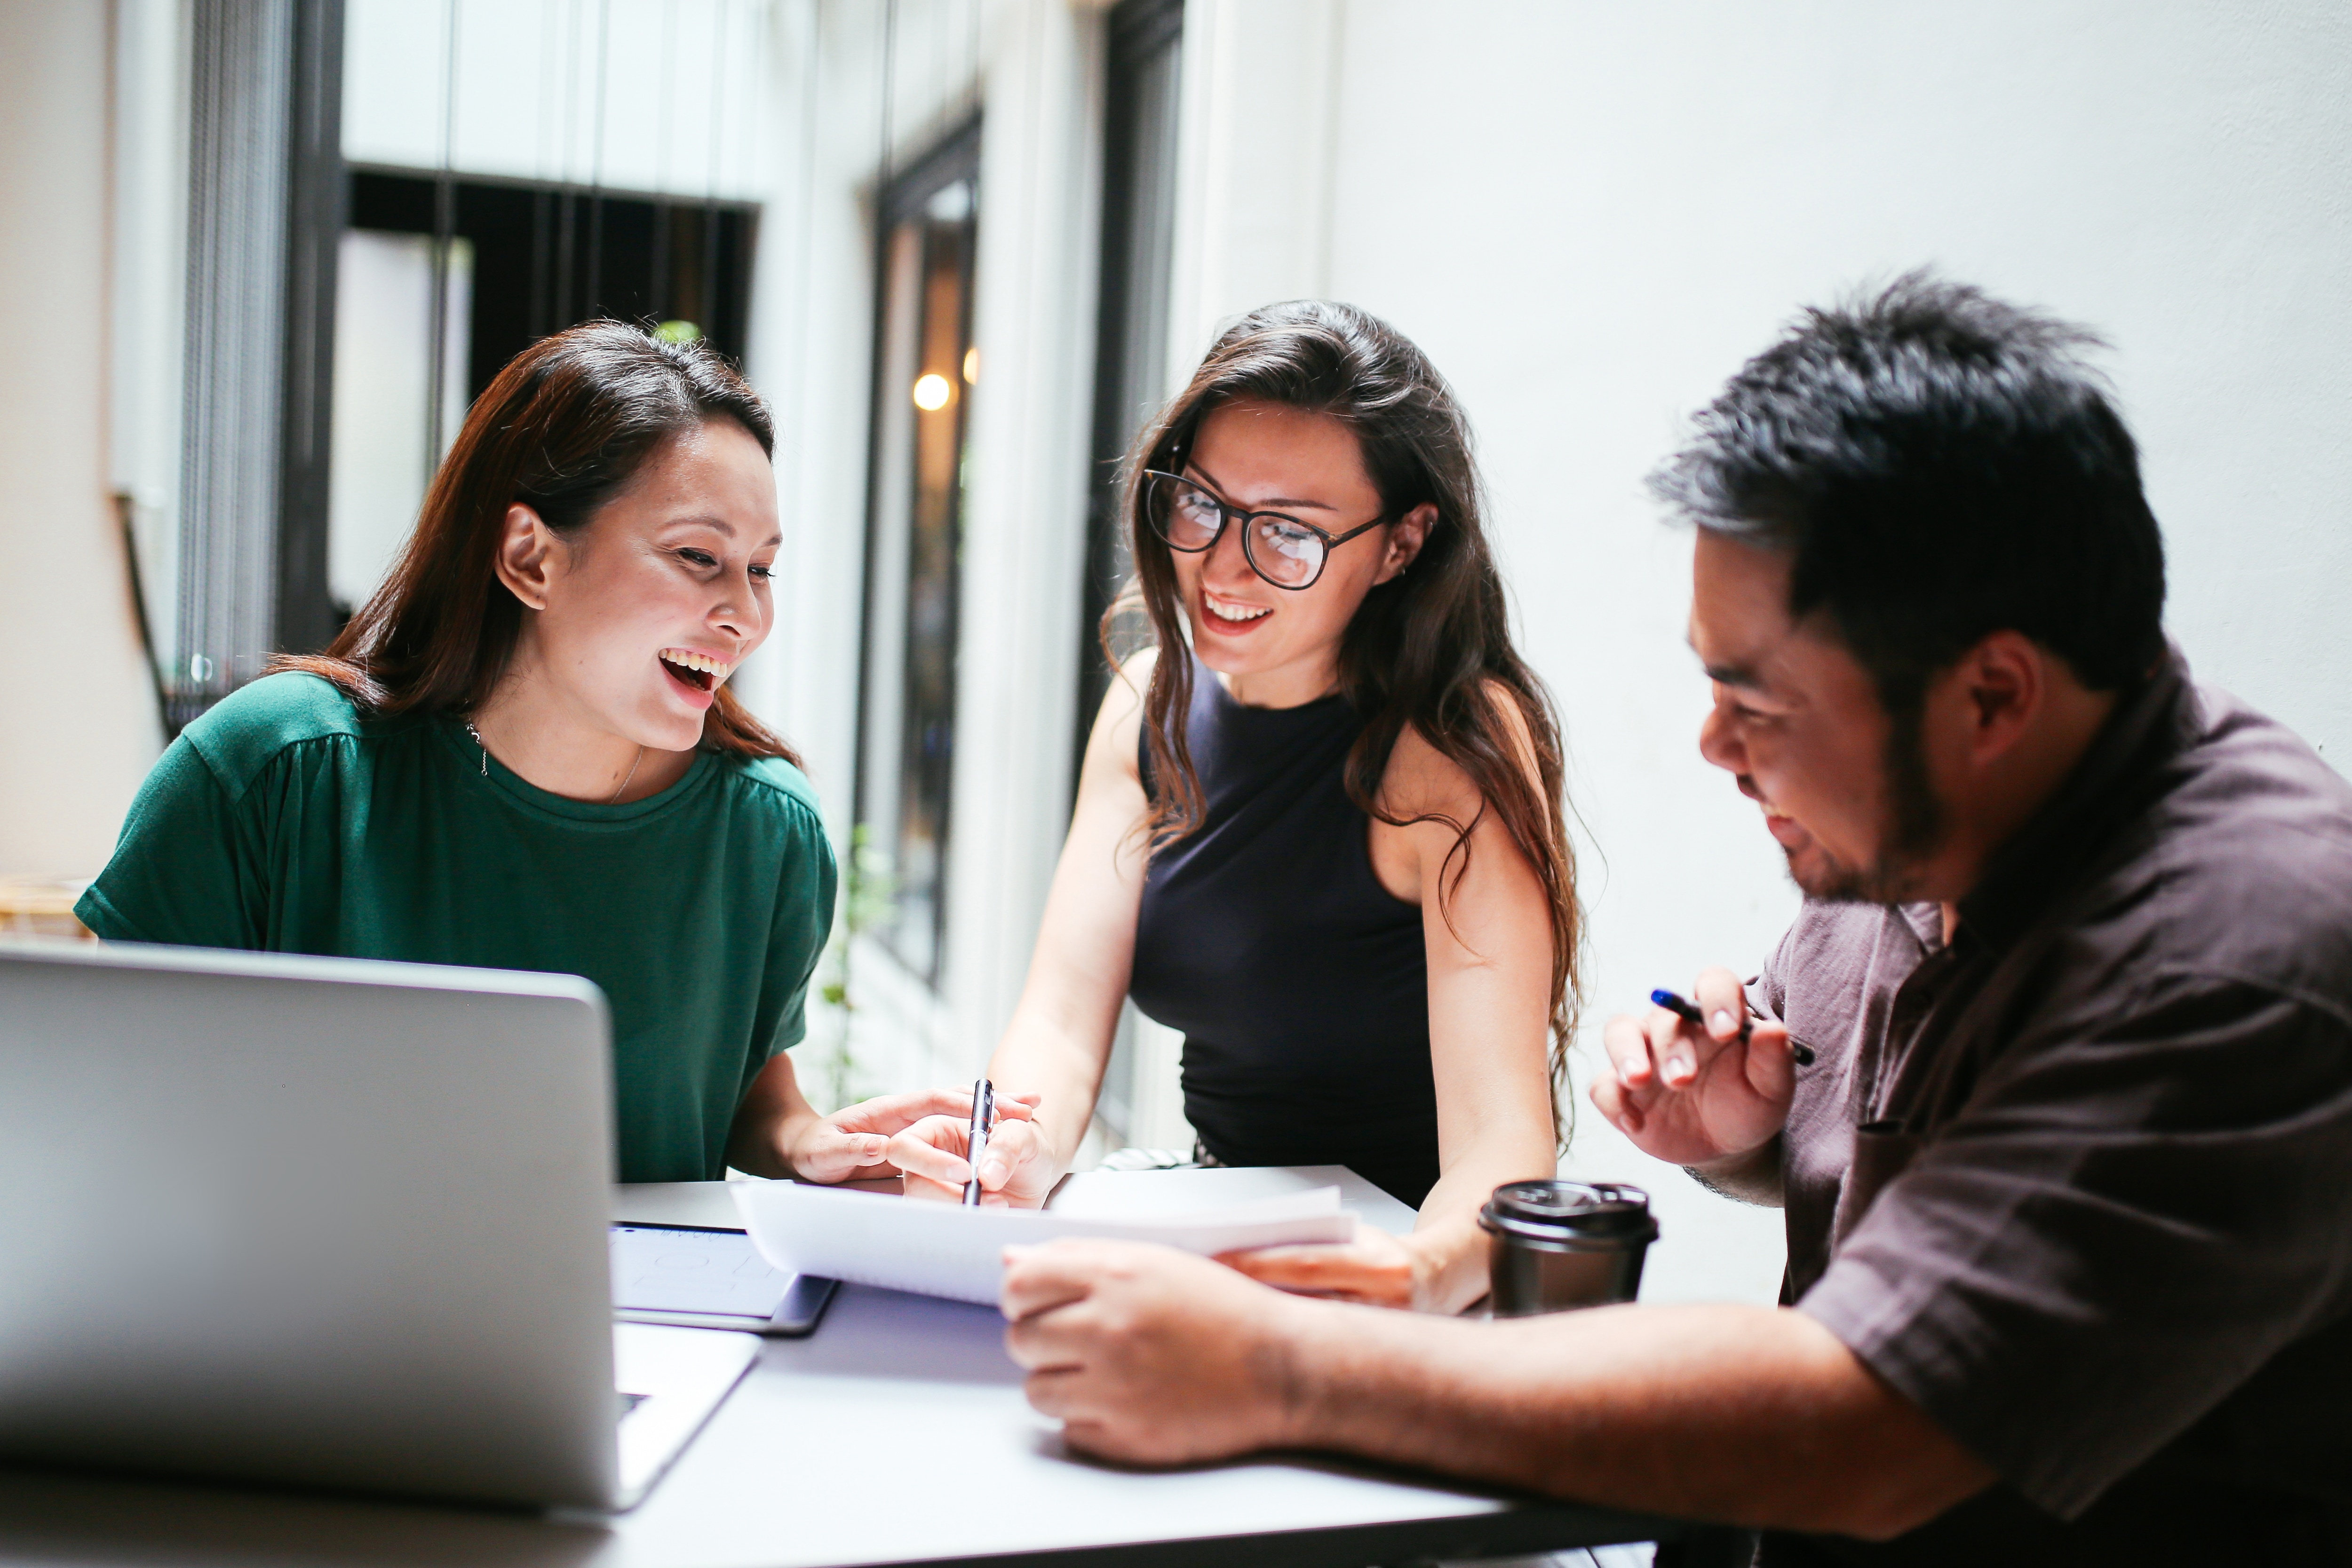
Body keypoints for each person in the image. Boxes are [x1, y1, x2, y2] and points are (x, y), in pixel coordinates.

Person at [993, 276, 2352, 1562]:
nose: (1711, 745)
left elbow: (1871, 1423)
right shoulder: (1935, 830)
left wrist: (1278, 1366)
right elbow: (1894, 1160)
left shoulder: (2241, 955)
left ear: (1990, 697)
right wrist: (1751, 1139)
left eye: (1758, 705)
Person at [76, 322, 1015, 1185]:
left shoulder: (766, 831)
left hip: (652, 1350)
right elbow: (92, 1100)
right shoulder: (271, 773)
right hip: (277, 1341)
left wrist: (812, 1141)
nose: (746, 613)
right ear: (530, 555)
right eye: (699, 556)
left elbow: (744, 1102)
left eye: (762, 567)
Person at [889, 301, 1580, 1313]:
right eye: (1201, 505)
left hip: (1420, 1260)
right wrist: (1011, 1147)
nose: (1220, 567)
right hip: (1225, 1231)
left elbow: (1502, 1141)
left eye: (1287, 535)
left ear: (1400, 545)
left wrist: (1402, 1282)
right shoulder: (1147, 704)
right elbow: (1061, 1023)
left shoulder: (1446, 751)